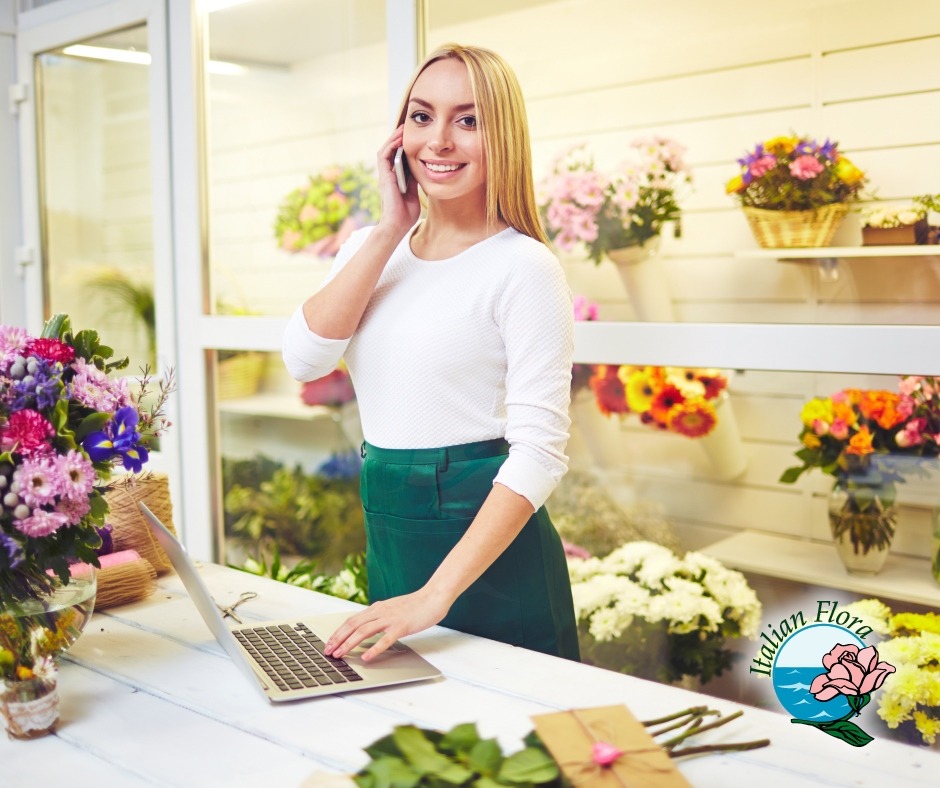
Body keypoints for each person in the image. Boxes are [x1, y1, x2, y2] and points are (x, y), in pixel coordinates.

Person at [281, 43, 578, 664]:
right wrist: (390, 228)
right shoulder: (371, 247)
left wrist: (434, 596)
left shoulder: (523, 267)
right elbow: (304, 360)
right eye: (422, 116)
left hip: (490, 553)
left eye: (468, 121)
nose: (439, 140)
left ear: (503, 138)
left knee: (515, 745)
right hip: (391, 533)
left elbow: (540, 454)